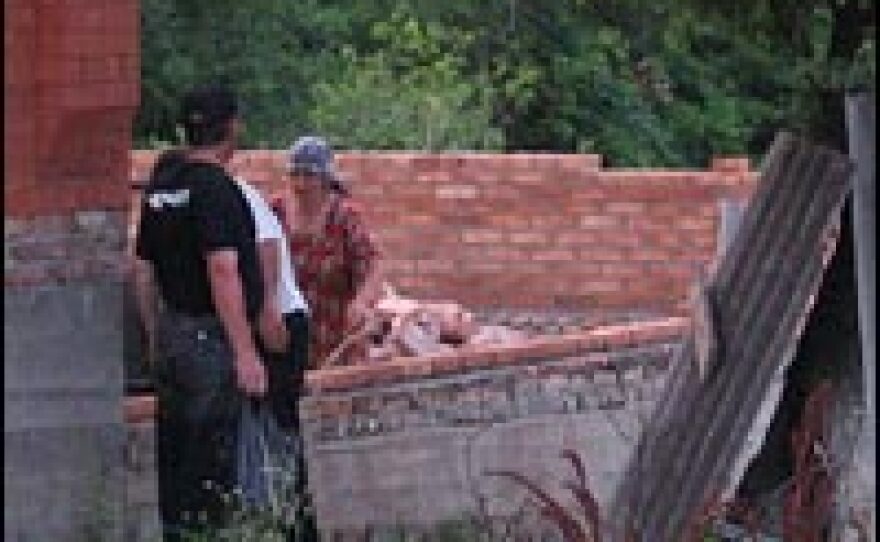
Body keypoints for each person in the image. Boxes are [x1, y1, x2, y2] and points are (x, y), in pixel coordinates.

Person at [133, 85, 278, 539]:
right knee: (213, 460)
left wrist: (156, 332)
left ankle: (178, 532)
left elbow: (142, 266)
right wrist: (245, 353)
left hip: (175, 333)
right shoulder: (217, 189)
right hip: (210, 340)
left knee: (175, 453)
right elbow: (222, 268)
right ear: (230, 128)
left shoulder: (164, 187)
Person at [232, 174, 319, 540]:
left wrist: (266, 310)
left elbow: (265, 244)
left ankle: (293, 525)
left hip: (280, 321)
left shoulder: (234, 192)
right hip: (255, 322)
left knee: (279, 428)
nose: (301, 182)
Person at [273, 136, 382, 368]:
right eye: (294, 175)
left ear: (325, 179)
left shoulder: (344, 217)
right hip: (286, 339)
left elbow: (372, 264)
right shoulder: (275, 214)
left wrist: (362, 301)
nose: (300, 184)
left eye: (309, 176)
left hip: (335, 337)